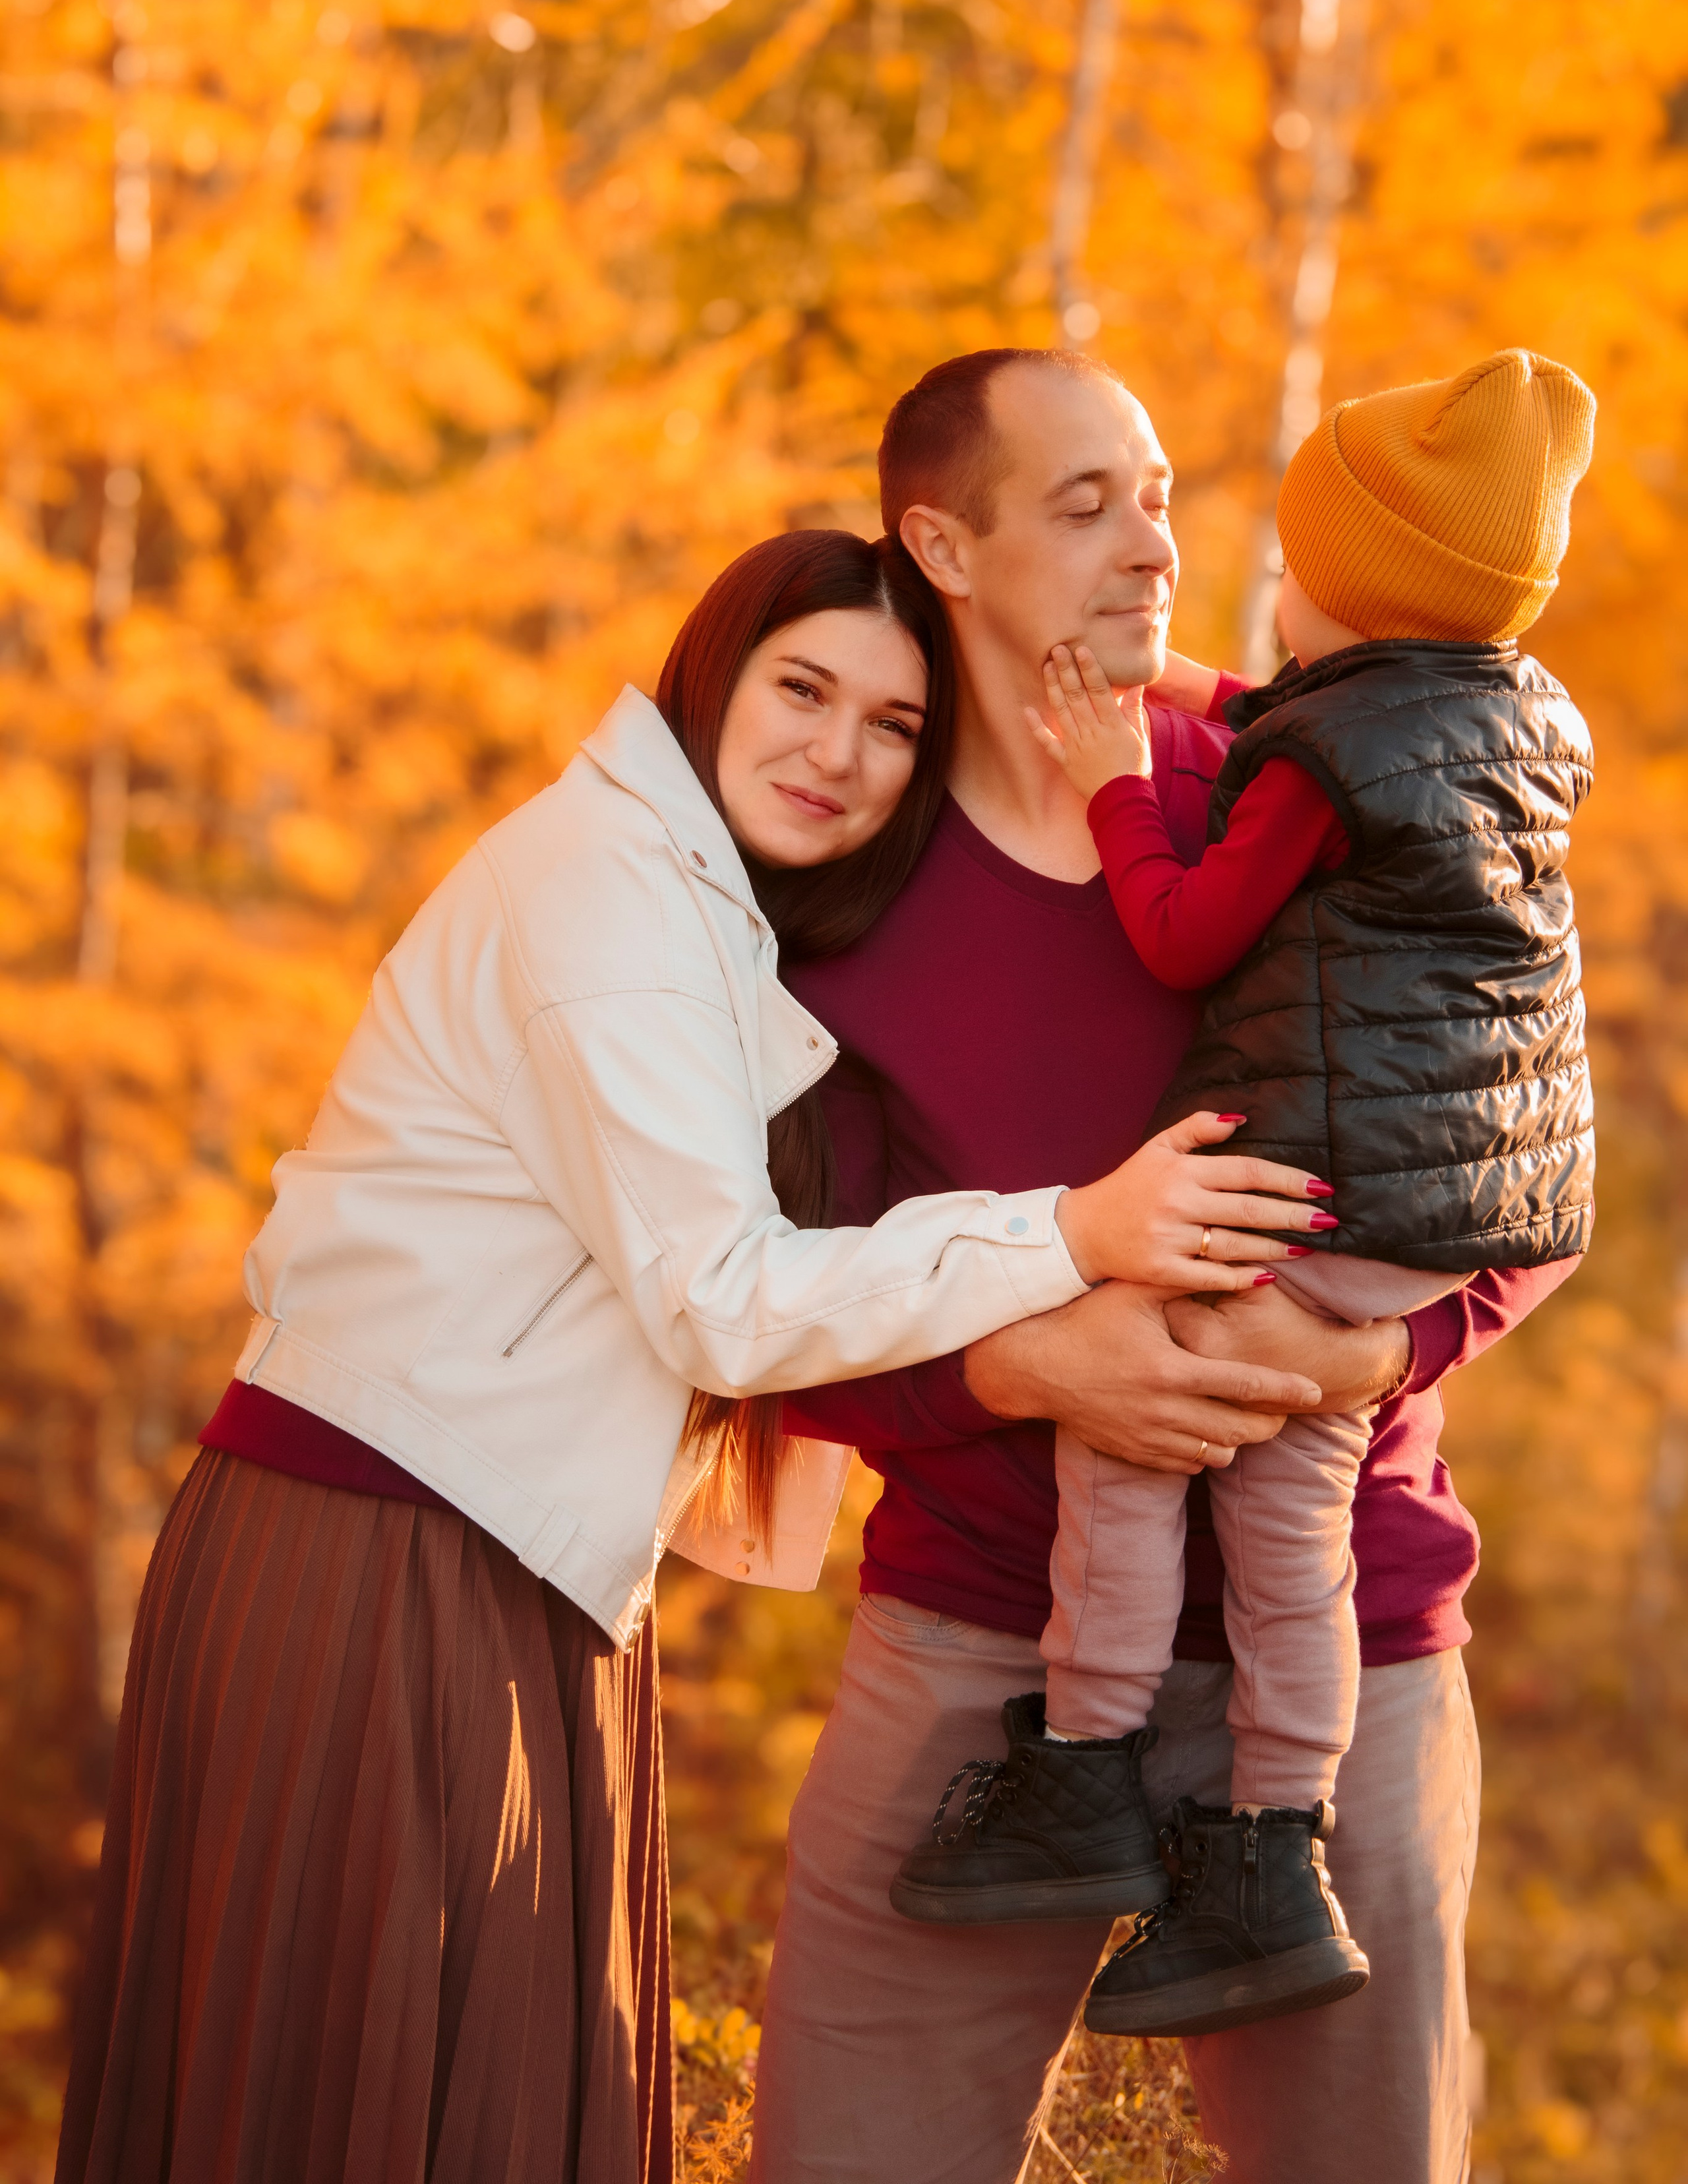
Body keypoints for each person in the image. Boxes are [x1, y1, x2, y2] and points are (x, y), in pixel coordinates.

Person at [55, 528, 1322, 2184]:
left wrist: (1200, 676)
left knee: (487, 2084)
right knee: (357, 2097)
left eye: (892, 728)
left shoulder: (704, 899)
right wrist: (1071, 1235)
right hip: (380, 1549)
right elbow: (719, 1298)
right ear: (713, 672)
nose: (839, 755)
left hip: (516, 1550)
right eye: (804, 689)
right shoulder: (606, 894)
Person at [751, 350, 1582, 2184]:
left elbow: (1512, 1146)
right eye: (1085, 504)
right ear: (940, 548)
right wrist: (1011, 1370)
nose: (1153, 543)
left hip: (1344, 1650)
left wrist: (1381, 1351)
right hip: (978, 1645)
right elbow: (746, 1304)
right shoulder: (830, 880)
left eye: (1160, 496)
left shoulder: (1314, 783)